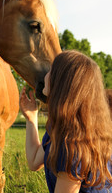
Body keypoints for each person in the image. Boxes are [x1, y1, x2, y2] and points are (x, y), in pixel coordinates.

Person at [20, 50, 112, 193]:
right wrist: (31, 118)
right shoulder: (62, 128)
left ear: (62, 82)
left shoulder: (72, 144)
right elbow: (33, 162)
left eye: (51, 70)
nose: (46, 74)